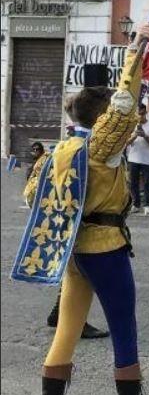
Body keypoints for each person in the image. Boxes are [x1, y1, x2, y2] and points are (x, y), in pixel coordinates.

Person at [23, 23, 149, 395]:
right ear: (101, 121)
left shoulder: (60, 150)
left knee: (66, 330)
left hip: (72, 249)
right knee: (124, 329)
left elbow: (33, 196)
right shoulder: (101, 149)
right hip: (105, 249)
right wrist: (136, 47)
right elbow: (125, 105)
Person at [24, 142, 110, 340]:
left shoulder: (65, 143)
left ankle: (59, 313)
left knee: (73, 264)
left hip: (56, 207)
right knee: (80, 268)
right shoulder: (88, 144)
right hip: (72, 208)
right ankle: (72, 320)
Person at [126, 104, 149, 215]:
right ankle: (135, 204)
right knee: (133, 183)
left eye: (142, 113)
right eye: (138, 114)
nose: (140, 116)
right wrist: (135, 135)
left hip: (147, 159)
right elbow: (126, 143)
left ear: (145, 113)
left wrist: (144, 135)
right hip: (133, 158)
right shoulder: (131, 125)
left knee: (147, 183)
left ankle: (147, 205)